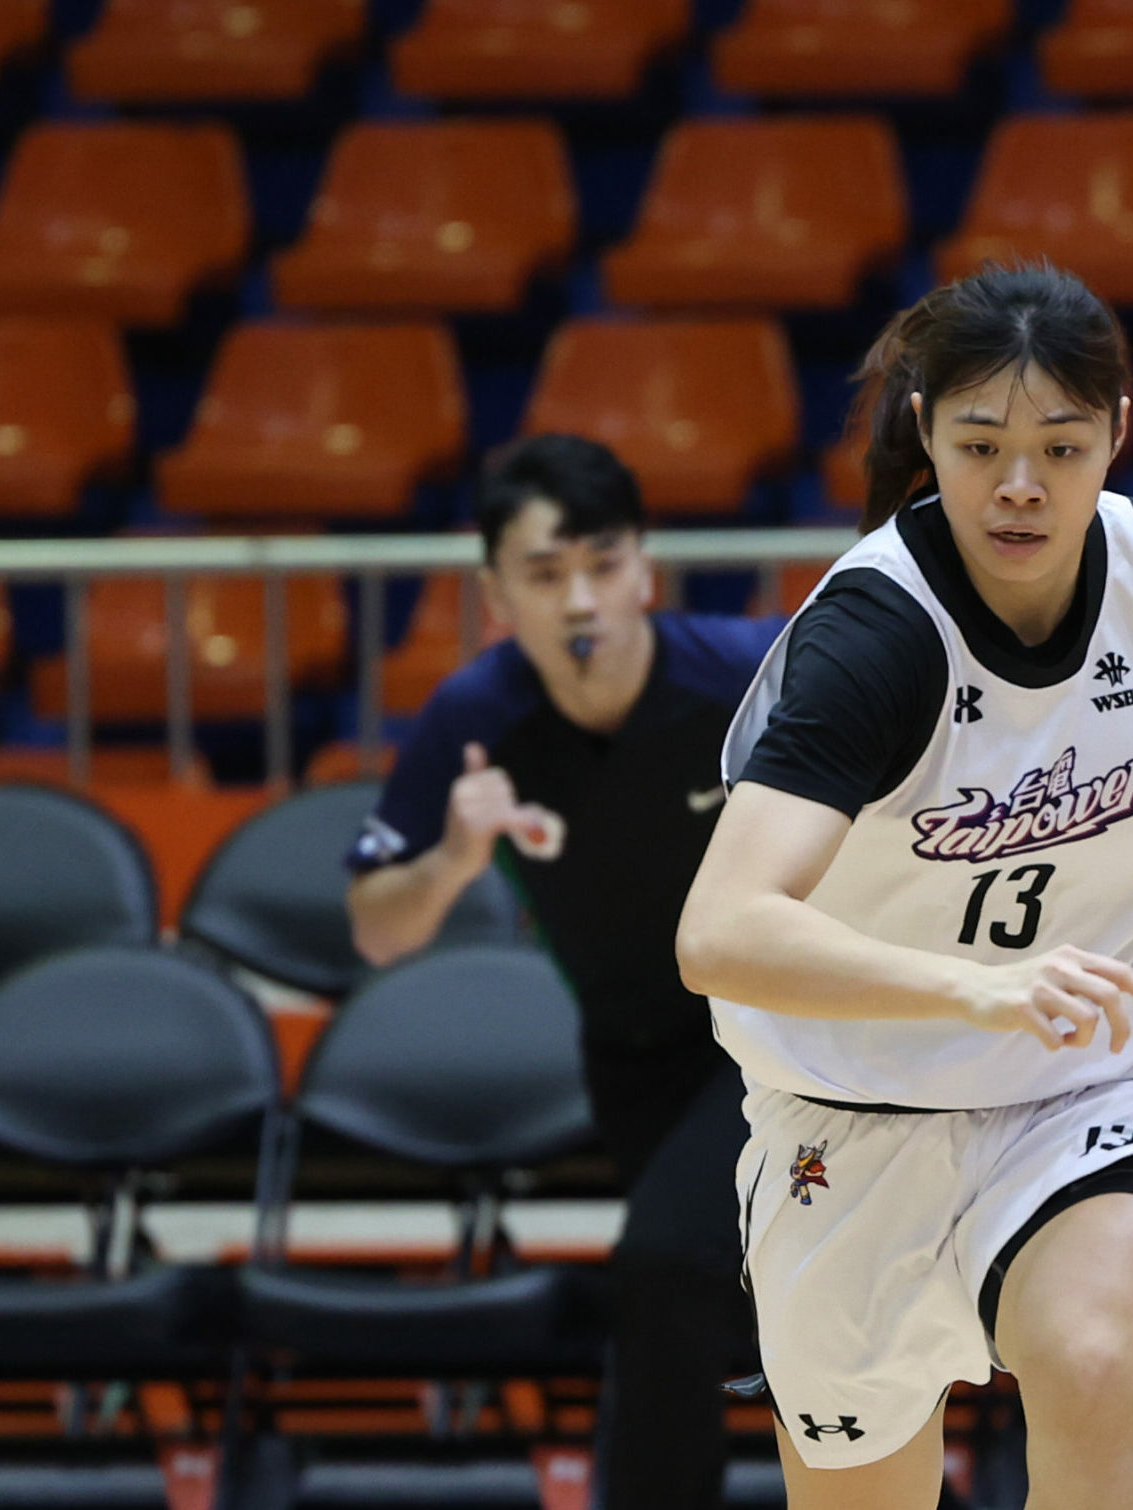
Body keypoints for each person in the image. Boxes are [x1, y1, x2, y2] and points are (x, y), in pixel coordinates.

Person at [674, 262, 1133, 1510]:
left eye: (1060, 448)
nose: (1020, 485)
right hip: (850, 1106)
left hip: (1092, 1080)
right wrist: (976, 990)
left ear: (1117, 433)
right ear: (926, 432)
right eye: (981, 447)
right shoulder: (875, 636)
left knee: (1087, 1356)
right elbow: (721, 932)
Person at [345, 434, 777, 1510]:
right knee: (744, 1318)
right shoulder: (475, 716)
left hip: (777, 1044)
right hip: (630, 1060)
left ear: (644, 568)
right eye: (544, 574)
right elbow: (377, 929)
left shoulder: (748, 677)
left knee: (666, 1268)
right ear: (497, 596)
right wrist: (452, 859)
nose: (580, 599)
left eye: (602, 563)